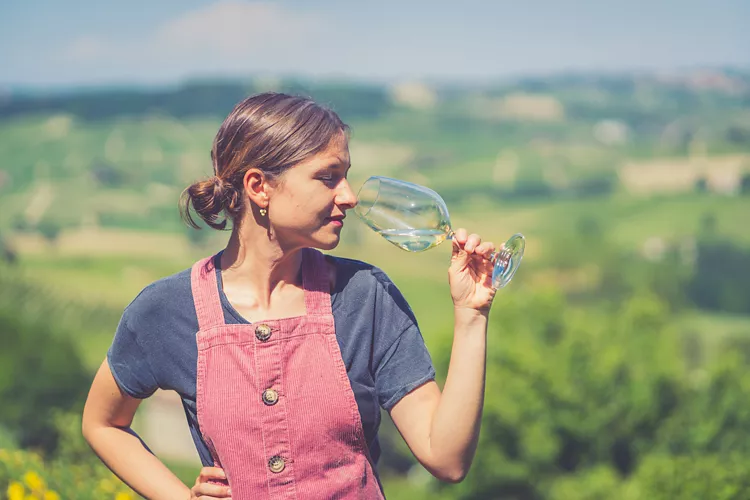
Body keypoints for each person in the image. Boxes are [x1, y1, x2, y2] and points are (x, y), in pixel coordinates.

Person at [82, 92, 498, 499]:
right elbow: (103, 424)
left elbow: (447, 459)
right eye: (328, 177)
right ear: (259, 187)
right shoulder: (166, 310)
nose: (349, 196)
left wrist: (471, 315)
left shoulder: (366, 297)